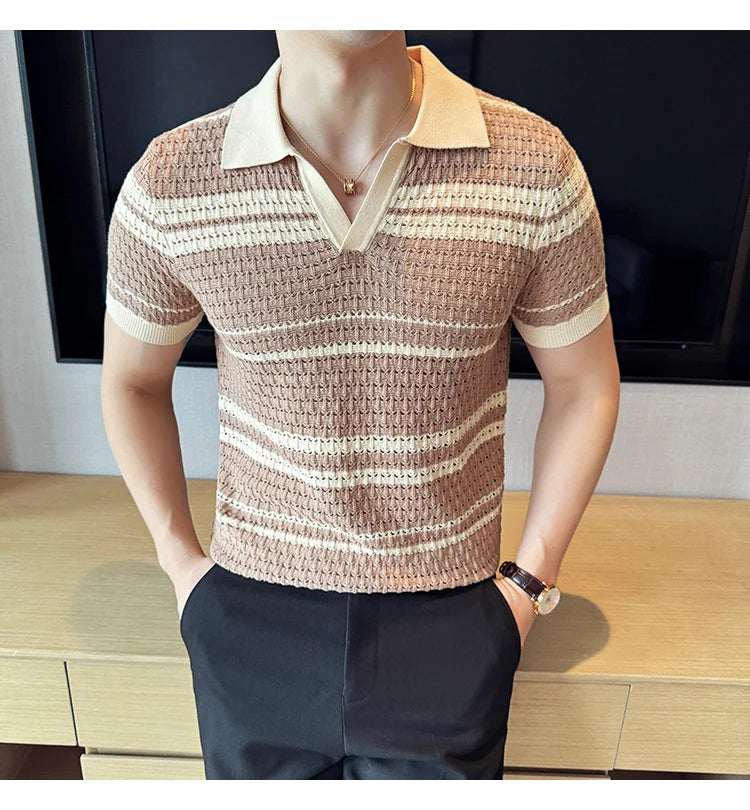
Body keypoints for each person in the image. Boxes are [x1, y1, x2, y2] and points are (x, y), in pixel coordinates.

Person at [101, 30, 620, 779]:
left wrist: (529, 586)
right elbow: (131, 382)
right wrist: (181, 564)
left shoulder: (535, 169)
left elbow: (584, 386)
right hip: (249, 614)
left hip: (452, 617)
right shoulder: (171, 182)